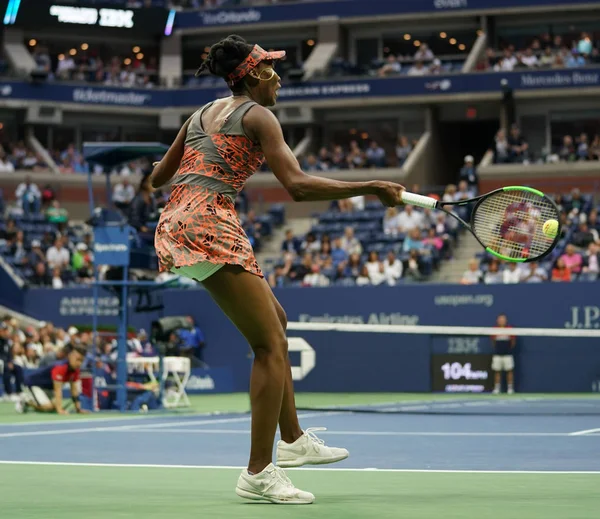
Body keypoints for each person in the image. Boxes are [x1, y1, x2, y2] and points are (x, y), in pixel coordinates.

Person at [151, 35, 405, 505]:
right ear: (251, 76)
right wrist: (370, 185)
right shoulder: (259, 115)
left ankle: (292, 440)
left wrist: (194, 167)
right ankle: (258, 472)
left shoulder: (200, 114)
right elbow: (299, 187)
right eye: (270, 69)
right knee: (269, 346)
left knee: (278, 324)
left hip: (180, 218)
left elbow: (158, 177)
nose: (278, 78)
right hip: (209, 220)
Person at [16, 344, 88, 414]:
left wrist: (78, 409)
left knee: (53, 406)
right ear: (70, 356)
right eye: (77, 359)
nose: (79, 363)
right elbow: (58, 390)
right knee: (49, 407)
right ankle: (26, 400)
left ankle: (37, 405)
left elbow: (74, 391)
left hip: (47, 388)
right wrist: (59, 410)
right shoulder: (60, 367)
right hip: (32, 384)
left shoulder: (75, 370)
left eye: (81, 360)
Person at [491, 314, 516, 394]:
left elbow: (513, 342)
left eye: (503, 319)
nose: (502, 321)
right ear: (497, 320)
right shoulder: (494, 329)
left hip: (507, 354)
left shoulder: (510, 329)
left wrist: (508, 349)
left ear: (506, 321)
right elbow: (493, 341)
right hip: (497, 354)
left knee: (509, 371)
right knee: (497, 371)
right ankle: (497, 388)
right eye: (500, 319)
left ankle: (510, 389)